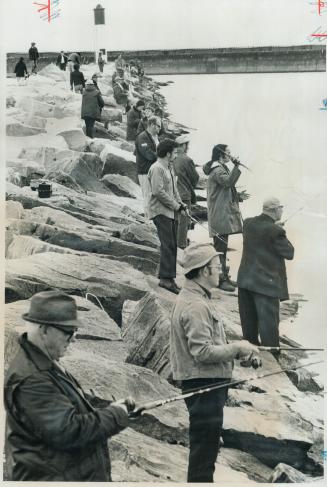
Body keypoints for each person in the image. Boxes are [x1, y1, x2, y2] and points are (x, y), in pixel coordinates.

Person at [4, 291, 135, 481]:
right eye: (68, 331)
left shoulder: (43, 363)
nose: (73, 338)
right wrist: (116, 415)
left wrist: (114, 409)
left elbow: (68, 411)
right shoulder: (32, 380)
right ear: (44, 330)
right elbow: (69, 432)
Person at [170, 243, 259, 482]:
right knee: (203, 455)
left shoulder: (197, 297)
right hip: (203, 388)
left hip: (206, 384)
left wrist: (241, 352)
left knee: (206, 449)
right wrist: (238, 348)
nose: (222, 270)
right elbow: (202, 352)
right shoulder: (195, 305)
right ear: (203, 271)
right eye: (217, 267)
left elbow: (210, 344)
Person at [237, 197, 294, 347]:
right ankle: (272, 358)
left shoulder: (248, 223)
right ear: (275, 210)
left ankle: (250, 355)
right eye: (281, 207)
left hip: (245, 282)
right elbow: (290, 253)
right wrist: (281, 231)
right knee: (269, 333)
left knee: (249, 332)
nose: (282, 210)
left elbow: (262, 234)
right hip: (265, 286)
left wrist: (275, 227)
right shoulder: (276, 231)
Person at [203, 144, 249, 292]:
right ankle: (221, 280)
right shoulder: (217, 170)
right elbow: (228, 182)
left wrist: (238, 197)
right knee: (220, 249)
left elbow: (225, 189)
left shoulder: (219, 168)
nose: (230, 155)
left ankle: (224, 277)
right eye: (228, 153)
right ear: (221, 155)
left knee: (222, 248)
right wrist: (236, 166)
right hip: (219, 215)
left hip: (221, 214)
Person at [148, 138, 185, 294]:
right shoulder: (157, 168)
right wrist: (175, 206)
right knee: (167, 245)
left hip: (169, 212)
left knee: (172, 245)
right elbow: (158, 191)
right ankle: (165, 279)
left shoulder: (168, 167)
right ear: (168, 153)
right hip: (160, 212)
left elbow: (174, 190)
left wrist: (181, 204)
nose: (176, 155)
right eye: (175, 153)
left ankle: (170, 279)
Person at [174, 134, 199, 249]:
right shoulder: (187, 159)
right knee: (184, 223)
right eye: (186, 145)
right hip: (184, 195)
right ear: (183, 146)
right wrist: (190, 185)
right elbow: (195, 178)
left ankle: (174, 244)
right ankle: (181, 246)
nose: (187, 147)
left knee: (174, 221)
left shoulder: (171, 157)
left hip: (172, 195)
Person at [135, 116, 161, 217]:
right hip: (144, 171)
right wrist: (161, 156)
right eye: (158, 126)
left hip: (151, 171)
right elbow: (148, 155)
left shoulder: (153, 137)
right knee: (147, 196)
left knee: (152, 196)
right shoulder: (142, 137)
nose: (160, 129)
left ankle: (150, 217)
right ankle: (147, 218)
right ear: (152, 125)